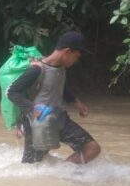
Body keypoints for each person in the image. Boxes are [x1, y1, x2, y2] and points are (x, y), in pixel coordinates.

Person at [6, 30, 101, 164]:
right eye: (76, 56)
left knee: (92, 148)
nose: (76, 60)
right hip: (37, 122)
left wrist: (76, 102)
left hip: (59, 118)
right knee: (32, 167)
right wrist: (32, 108)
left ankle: (63, 172)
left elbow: (59, 86)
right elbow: (12, 92)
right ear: (67, 52)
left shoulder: (61, 67)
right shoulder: (36, 69)